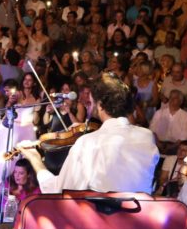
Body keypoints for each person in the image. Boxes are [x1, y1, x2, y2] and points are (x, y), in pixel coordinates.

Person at [20, 73, 160, 194]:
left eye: (92, 102)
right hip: (140, 213)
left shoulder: (88, 143)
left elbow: (59, 189)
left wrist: (35, 159)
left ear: (100, 105)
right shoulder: (147, 136)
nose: (90, 105)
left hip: (102, 215)